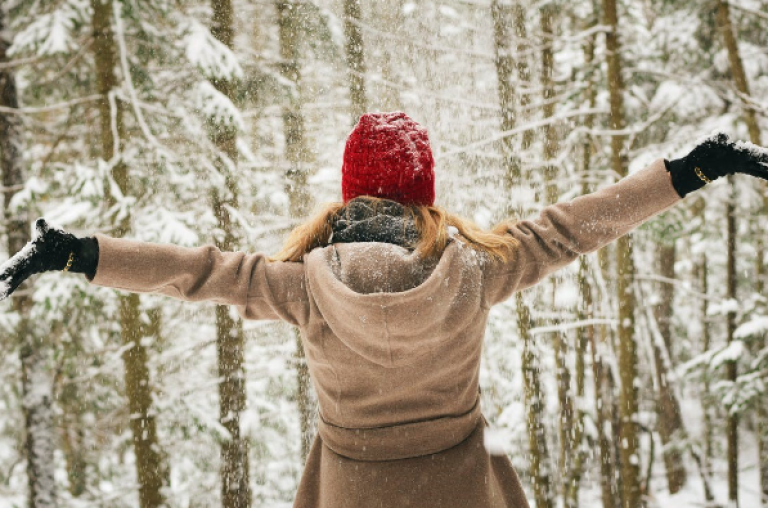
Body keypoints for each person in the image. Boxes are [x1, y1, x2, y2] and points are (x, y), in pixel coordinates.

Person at [1, 112, 768, 508]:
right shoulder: (477, 270)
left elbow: (197, 274)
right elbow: (577, 226)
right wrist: (692, 170)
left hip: (352, 493)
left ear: (348, 192)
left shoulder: (300, 285)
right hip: (466, 490)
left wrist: (78, 254)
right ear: (424, 190)